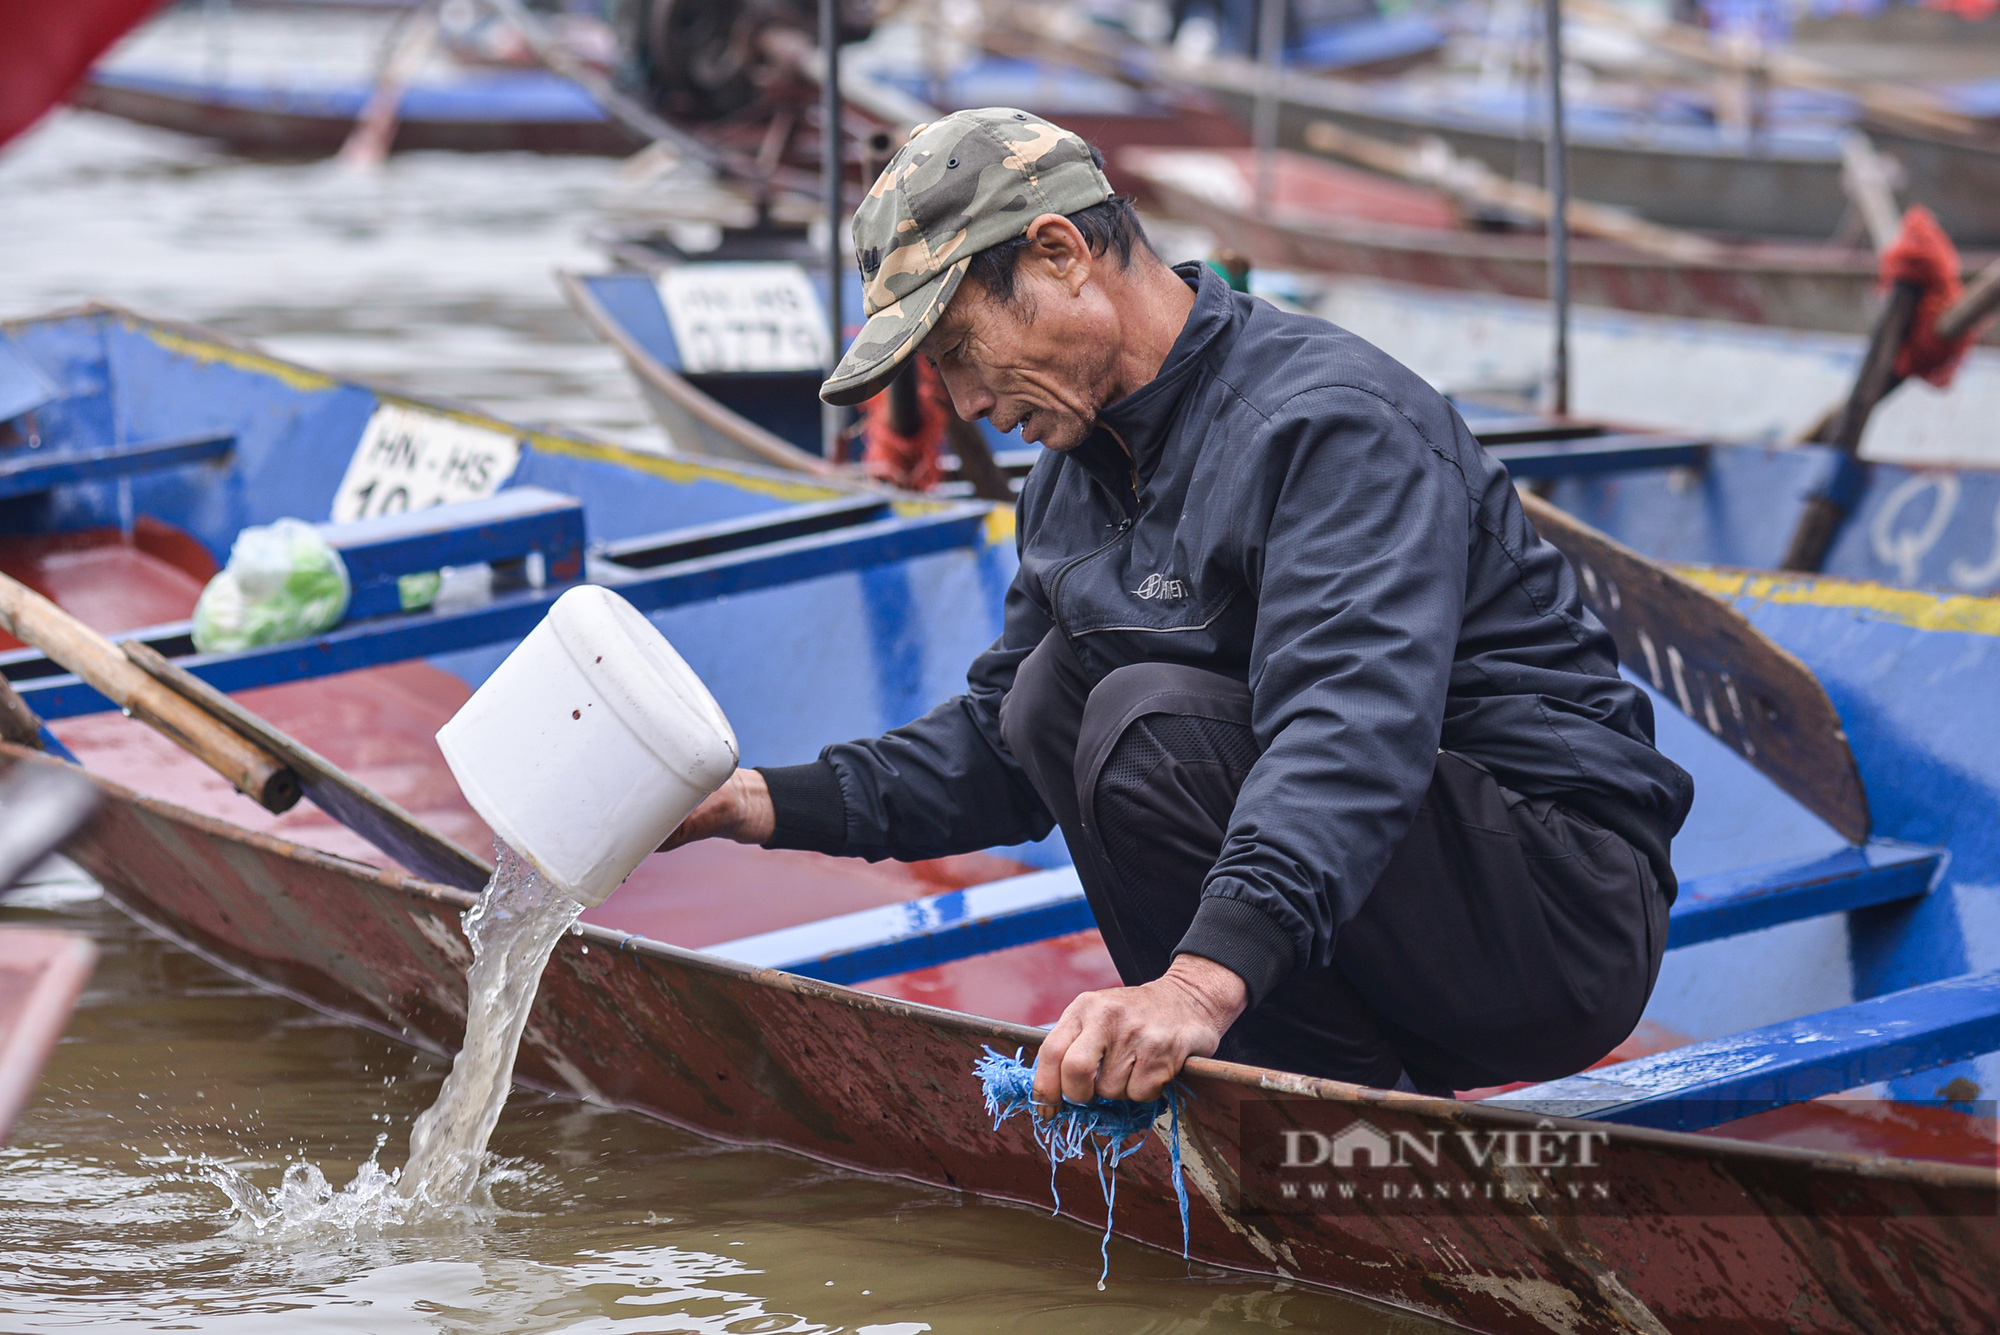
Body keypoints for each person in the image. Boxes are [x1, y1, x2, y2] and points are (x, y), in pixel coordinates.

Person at [666, 108, 1694, 1108]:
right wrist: (754, 802)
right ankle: (1304, 1094)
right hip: (1373, 905)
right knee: (1046, 699)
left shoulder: (1323, 425)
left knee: (1140, 722)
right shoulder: (1074, 470)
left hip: (1555, 919)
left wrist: (1195, 982)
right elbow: (998, 747)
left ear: (1059, 252)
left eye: (957, 349)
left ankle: (1296, 1083)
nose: (966, 403)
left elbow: (1347, 726)